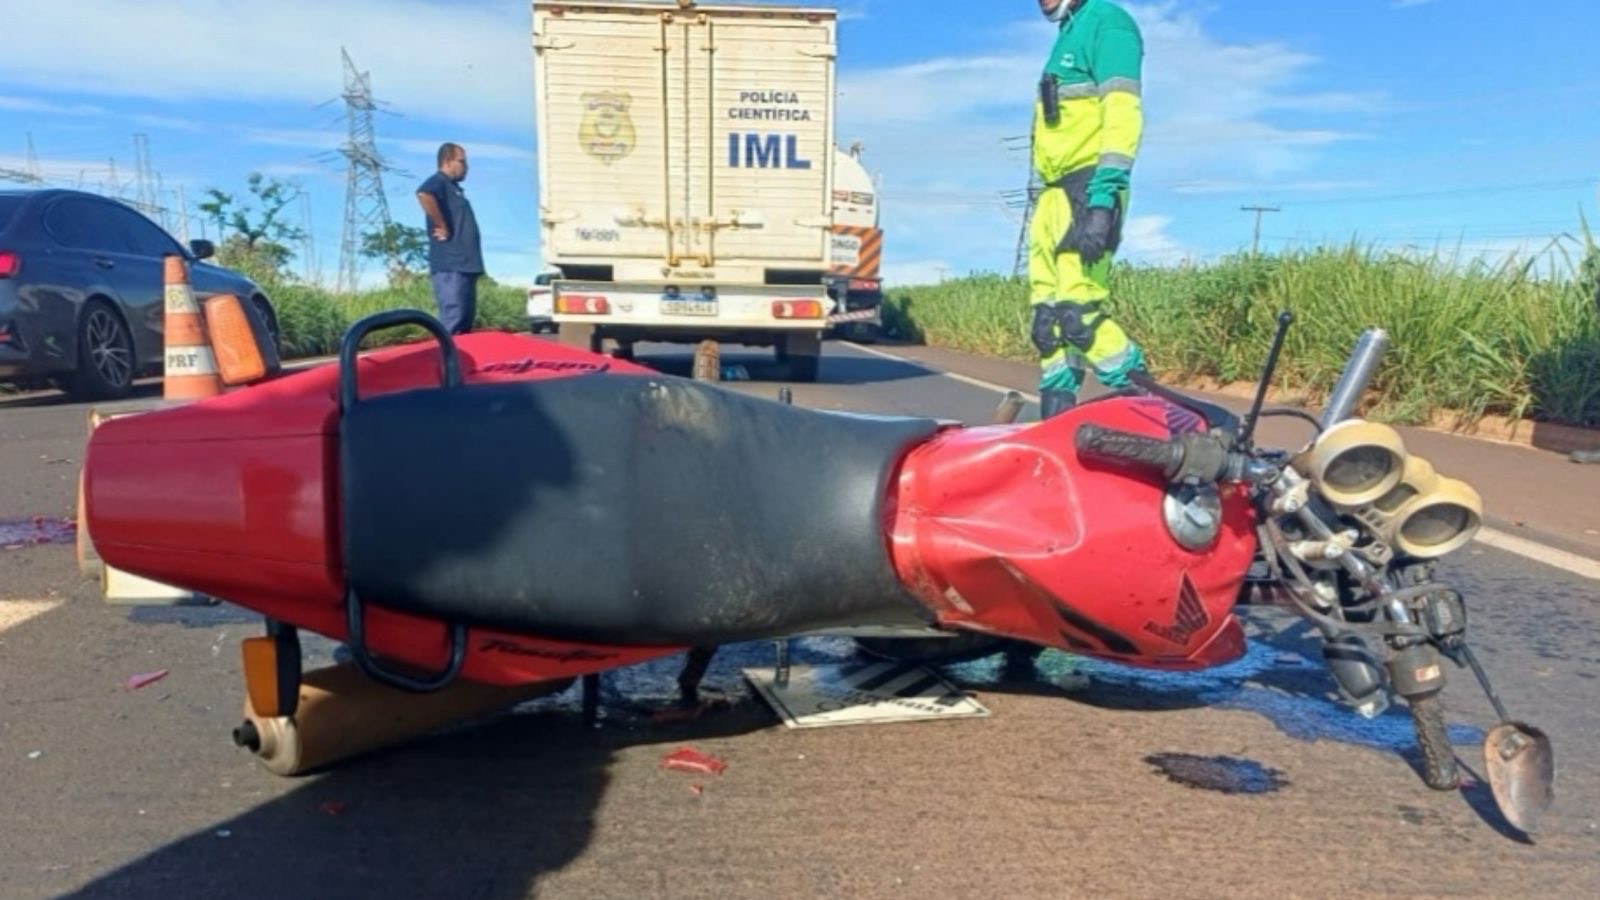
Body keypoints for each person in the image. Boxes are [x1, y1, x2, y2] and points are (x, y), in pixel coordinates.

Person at [1026, 0, 1150, 418]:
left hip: (1089, 185)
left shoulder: (1108, 24)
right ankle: (1054, 432)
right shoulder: (1068, 30)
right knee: (1047, 324)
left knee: (1077, 315)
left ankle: (1156, 411)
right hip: (1052, 193)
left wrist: (1104, 197)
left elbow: (1122, 114)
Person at [415, 142, 484, 335]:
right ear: (447, 161)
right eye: (462, 161)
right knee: (453, 318)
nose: (466, 167)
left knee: (464, 322)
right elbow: (424, 194)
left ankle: (460, 355)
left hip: (465, 265)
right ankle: (445, 354)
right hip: (451, 266)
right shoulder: (439, 181)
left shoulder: (454, 188)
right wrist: (441, 225)